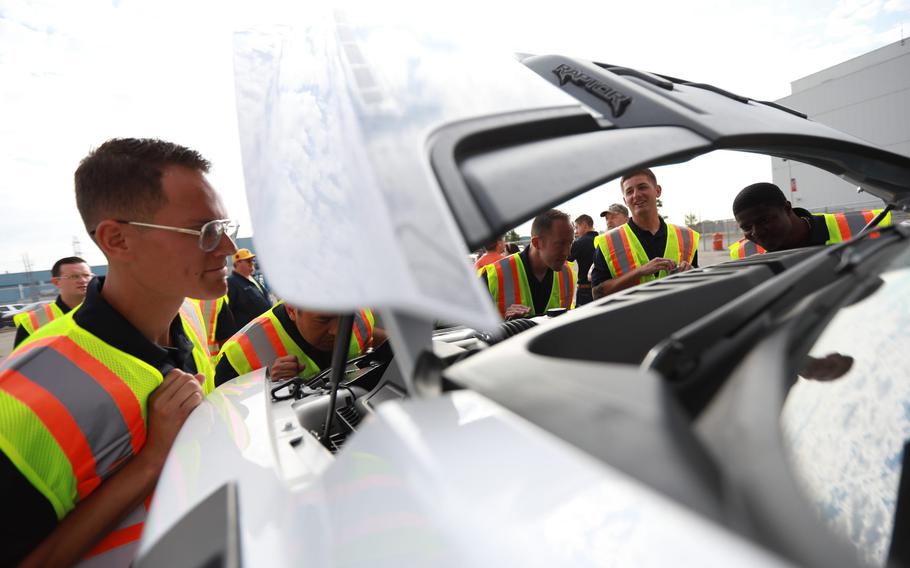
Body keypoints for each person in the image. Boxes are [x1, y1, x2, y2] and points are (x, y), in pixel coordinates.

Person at [0, 138, 237, 567]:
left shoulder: (193, 318)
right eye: (205, 232)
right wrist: (150, 462)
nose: (227, 250)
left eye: (225, 228)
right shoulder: (26, 396)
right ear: (117, 240)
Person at [592, 168, 699, 299]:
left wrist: (691, 272)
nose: (636, 195)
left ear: (657, 191)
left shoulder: (686, 237)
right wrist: (639, 272)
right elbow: (597, 293)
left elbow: (698, 284)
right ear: (625, 200)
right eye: (629, 191)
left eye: (642, 187)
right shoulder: (608, 242)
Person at [214, 304, 384, 386]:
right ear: (291, 310)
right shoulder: (239, 355)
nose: (337, 330)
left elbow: (372, 338)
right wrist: (267, 387)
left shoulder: (361, 315)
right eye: (323, 320)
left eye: (346, 315)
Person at [730, 182, 892, 258]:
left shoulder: (866, 225)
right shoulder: (744, 254)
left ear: (787, 209)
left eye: (764, 220)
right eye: (746, 227)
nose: (756, 232)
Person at [479, 209, 576, 319]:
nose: (567, 252)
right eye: (560, 244)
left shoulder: (567, 274)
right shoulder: (493, 276)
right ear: (536, 243)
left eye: (570, 243)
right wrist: (505, 325)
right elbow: (475, 327)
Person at [12, 256, 92, 347]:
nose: (83, 280)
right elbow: (24, 360)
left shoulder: (106, 310)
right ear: (56, 282)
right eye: (74, 276)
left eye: (86, 275)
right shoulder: (33, 322)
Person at [226, 248, 272, 329]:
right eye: (248, 261)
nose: (252, 263)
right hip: (250, 333)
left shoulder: (253, 279)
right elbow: (228, 312)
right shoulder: (231, 283)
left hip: (265, 327)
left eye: (252, 260)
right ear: (237, 263)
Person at [190, 294, 236, 358]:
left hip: (179, 364)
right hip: (210, 364)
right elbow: (227, 342)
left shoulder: (174, 298)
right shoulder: (215, 297)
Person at [568, 214, 598, 306]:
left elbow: (567, 259)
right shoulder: (602, 240)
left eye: (577, 228)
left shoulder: (579, 243)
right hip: (600, 288)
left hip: (585, 291)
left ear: (585, 225)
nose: (576, 232)